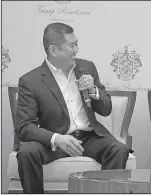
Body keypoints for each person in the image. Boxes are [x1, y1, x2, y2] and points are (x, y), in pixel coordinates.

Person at [15, 22, 132, 193]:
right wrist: (57, 139)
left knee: (119, 149)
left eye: (77, 43)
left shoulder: (87, 67)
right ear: (53, 50)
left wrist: (93, 90)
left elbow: (106, 109)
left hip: (89, 138)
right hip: (54, 141)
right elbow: (24, 127)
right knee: (26, 152)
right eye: (72, 45)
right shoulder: (30, 81)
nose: (77, 49)